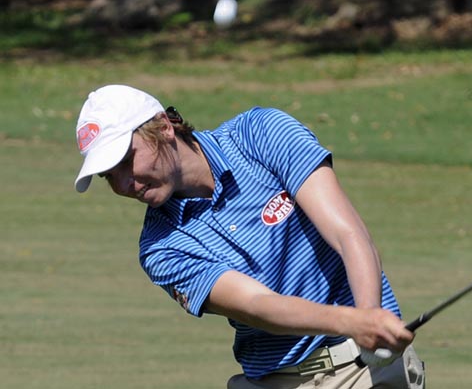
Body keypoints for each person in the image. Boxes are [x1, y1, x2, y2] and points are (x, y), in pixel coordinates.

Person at [74, 84, 425, 388]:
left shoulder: (260, 134)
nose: (123, 184)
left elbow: (347, 232)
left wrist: (369, 318)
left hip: (369, 371)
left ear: (164, 127)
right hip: (279, 381)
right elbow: (258, 306)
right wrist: (356, 322)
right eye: (108, 175)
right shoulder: (160, 248)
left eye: (126, 159)